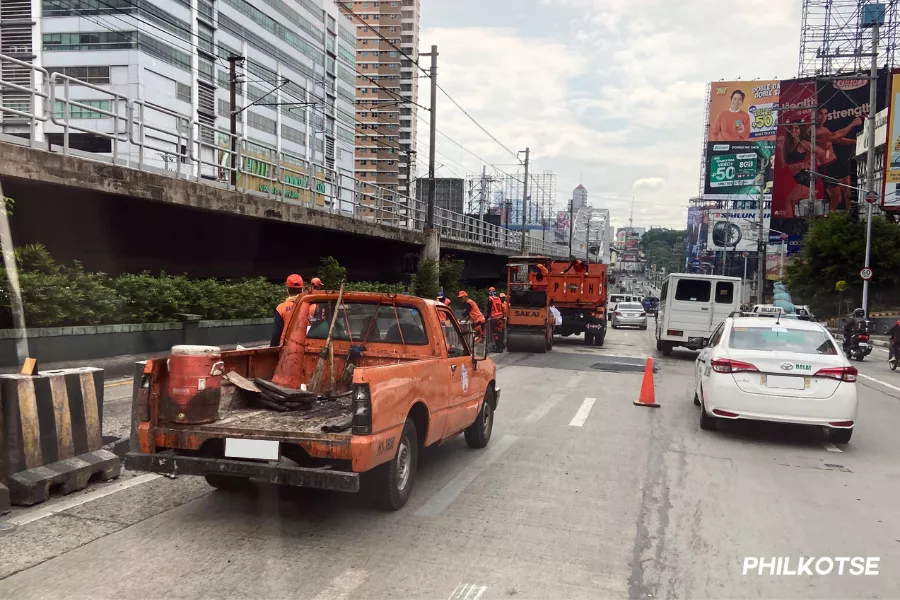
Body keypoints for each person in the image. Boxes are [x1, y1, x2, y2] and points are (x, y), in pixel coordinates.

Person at [270, 274, 304, 346]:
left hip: (287, 348)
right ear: (302, 289)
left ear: (287, 289)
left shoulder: (281, 308)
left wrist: (272, 350)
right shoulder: (310, 306)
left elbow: (277, 333)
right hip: (305, 347)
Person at [488, 287, 505, 352]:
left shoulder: (490, 299)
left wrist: (486, 318)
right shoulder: (498, 298)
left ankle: (498, 348)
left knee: (495, 334)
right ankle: (501, 347)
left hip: (494, 319)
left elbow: (489, 310)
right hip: (500, 318)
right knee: (500, 333)